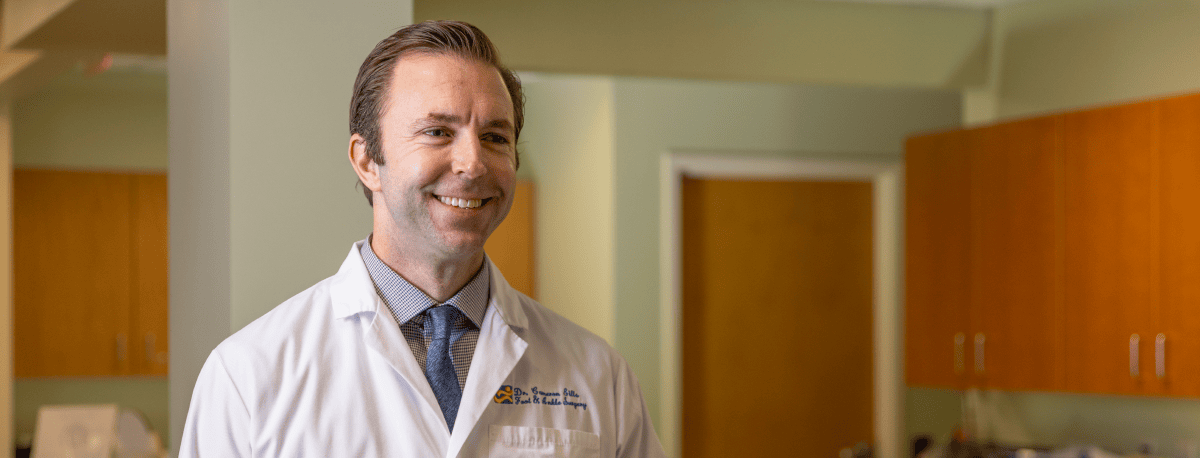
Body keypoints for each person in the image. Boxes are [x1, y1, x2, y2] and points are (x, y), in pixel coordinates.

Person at [180, 20, 665, 457]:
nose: (473, 163)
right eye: (437, 131)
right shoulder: (249, 375)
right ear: (368, 161)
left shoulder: (599, 375)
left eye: (496, 137)